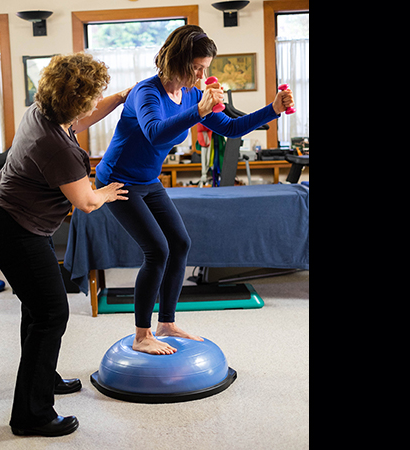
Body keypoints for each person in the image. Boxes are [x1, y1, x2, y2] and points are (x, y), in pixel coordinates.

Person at [94, 25, 294, 356]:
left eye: (206, 68)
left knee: (180, 243)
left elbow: (230, 127)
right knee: (157, 250)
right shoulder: (147, 92)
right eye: (198, 67)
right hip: (117, 180)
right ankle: (141, 334)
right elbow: (155, 133)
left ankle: (166, 323)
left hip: (147, 180)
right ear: (180, 61)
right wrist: (198, 111)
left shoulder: (188, 95)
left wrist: (271, 108)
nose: (203, 75)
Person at [0, 52, 130, 437]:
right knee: (51, 312)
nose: (99, 101)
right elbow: (86, 202)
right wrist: (108, 192)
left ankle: (41, 382)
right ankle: (32, 415)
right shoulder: (57, 148)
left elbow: (81, 119)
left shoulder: (42, 111)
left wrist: (123, 97)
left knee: (38, 307)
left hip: (8, 217)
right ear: (76, 101)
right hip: (13, 227)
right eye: (96, 95)